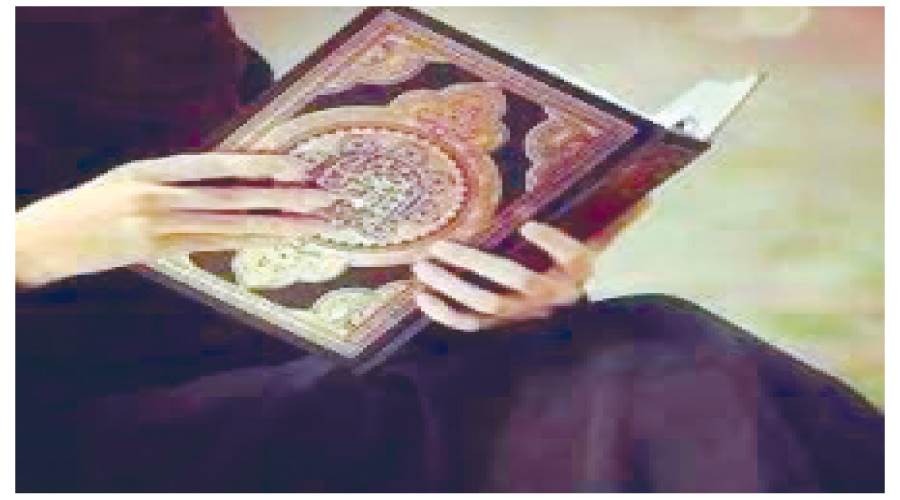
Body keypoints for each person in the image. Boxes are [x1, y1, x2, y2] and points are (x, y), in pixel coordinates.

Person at [16, 7, 884, 493]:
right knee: (651, 390)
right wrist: (36, 245)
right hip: (62, 426)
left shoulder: (151, 26)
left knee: (666, 355)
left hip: (279, 349)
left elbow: (303, 211)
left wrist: (501, 270)